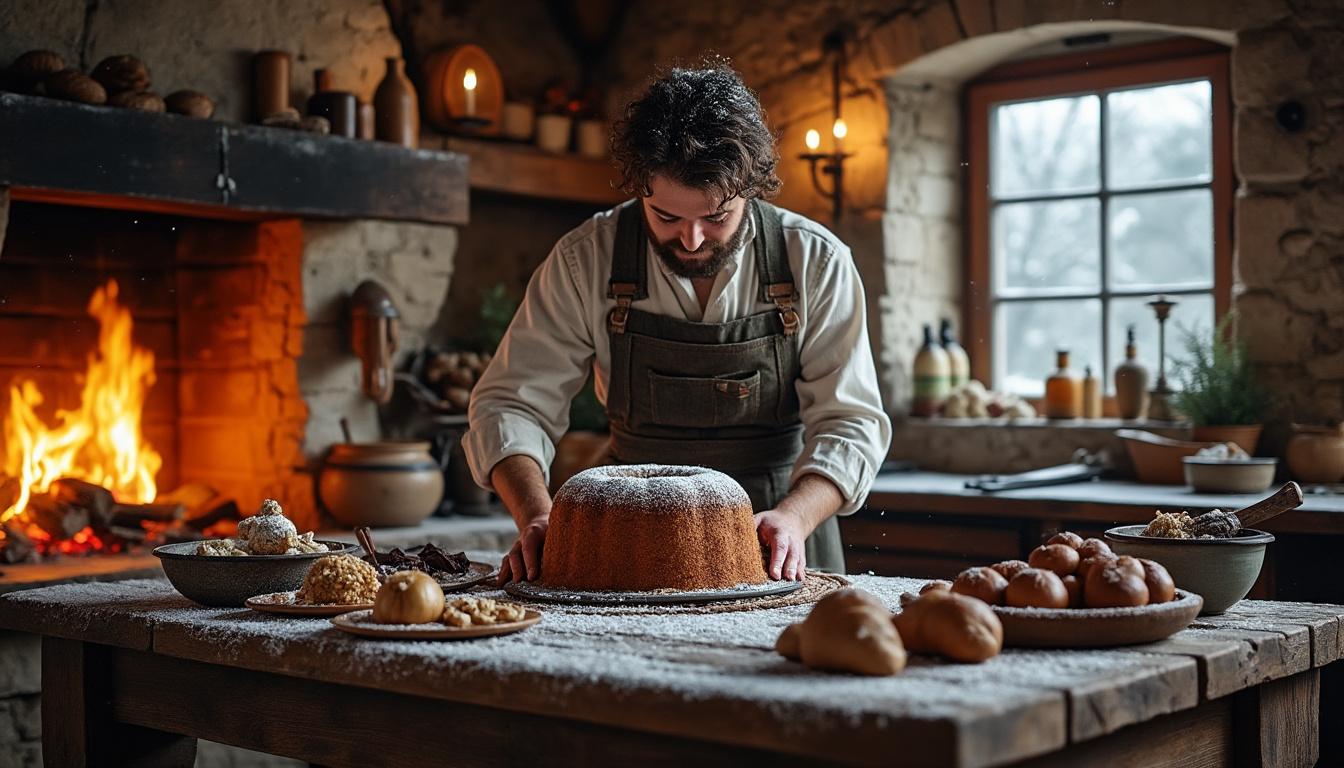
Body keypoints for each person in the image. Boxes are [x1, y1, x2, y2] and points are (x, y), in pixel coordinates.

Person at [463, 61, 891, 585]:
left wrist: (796, 517)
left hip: (780, 537)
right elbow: (511, 405)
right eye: (666, 217)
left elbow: (851, 423)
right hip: (630, 539)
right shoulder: (585, 260)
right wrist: (535, 513)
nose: (691, 240)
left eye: (716, 217)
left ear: (750, 189)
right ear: (639, 187)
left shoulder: (815, 262)